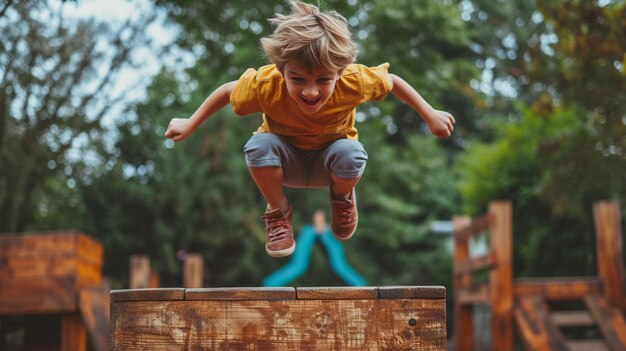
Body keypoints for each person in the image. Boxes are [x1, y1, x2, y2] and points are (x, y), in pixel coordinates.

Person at [164, 0, 455, 258]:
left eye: (323, 80)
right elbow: (228, 91)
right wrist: (191, 122)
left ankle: (342, 200)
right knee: (258, 145)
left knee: (352, 152)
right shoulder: (266, 85)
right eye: (298, 79)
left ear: (339, 73)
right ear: (281, 70)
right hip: (283, 162)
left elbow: (393, 81)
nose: (311, 91)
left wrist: (429, 114)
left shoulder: (354, 80)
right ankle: (278, 212)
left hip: (330, 165)